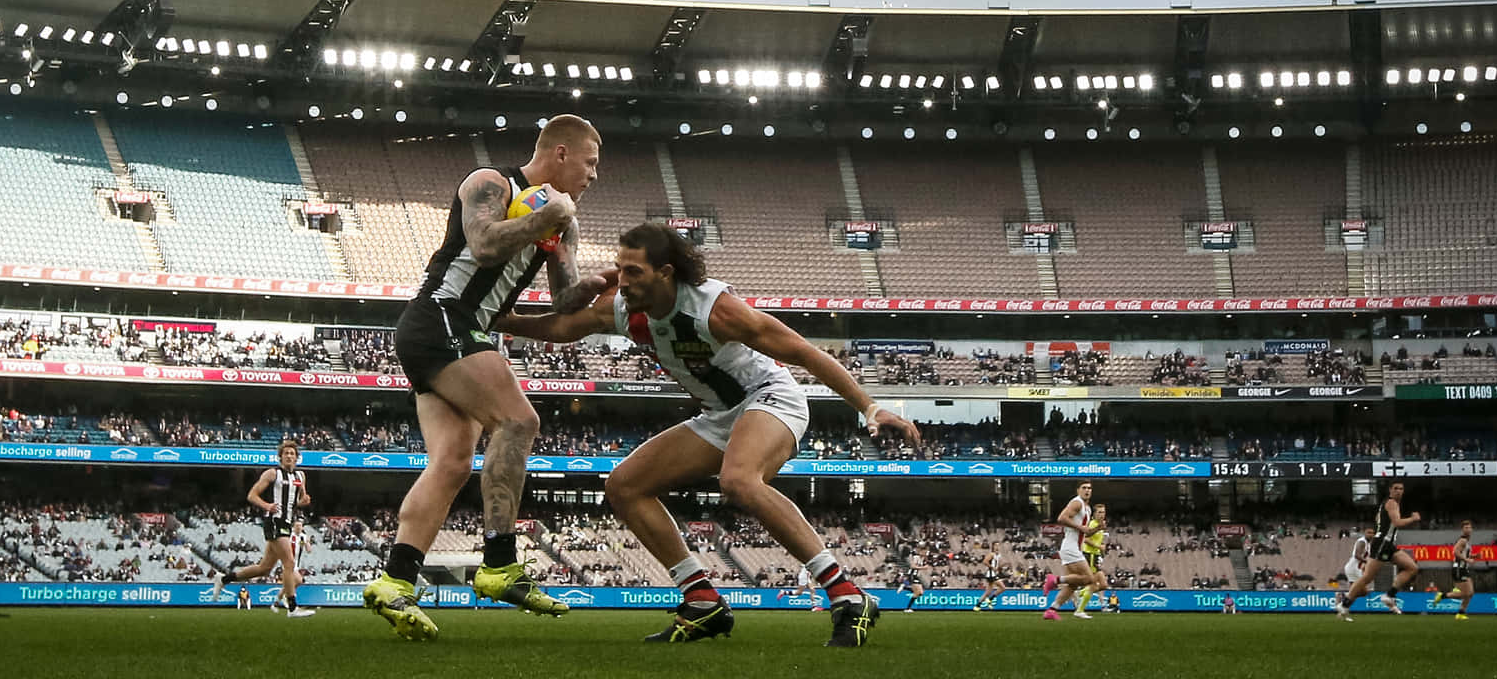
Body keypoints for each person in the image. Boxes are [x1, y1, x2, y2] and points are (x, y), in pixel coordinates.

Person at [499, 222, 919, 647]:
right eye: (618, 268)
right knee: (625, 486)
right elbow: (560, 328)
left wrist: (869, 406)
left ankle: (847, 595)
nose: (618, 280)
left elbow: (805, 353)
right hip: (720, 415)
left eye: (633, 272)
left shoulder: (717, 310)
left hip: (771, 399)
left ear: (665, 272)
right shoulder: (624, 308)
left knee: (738, 481)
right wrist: (502, 320)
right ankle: (702, 601)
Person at [363, 115, 612, 641]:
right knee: (518, 421)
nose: (593, 176)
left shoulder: (564, 219)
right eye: (589, 163)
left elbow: (562, 299)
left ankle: (394, 580)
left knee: (452, 463)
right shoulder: (491, 183)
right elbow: (483, 246)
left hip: (459, 331)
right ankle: (499, 564)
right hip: (442, 318)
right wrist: (549, 214)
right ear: (561, 153)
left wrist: (595, 283)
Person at [215, 441, 316, 617]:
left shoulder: (301, 476)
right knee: (289, 563)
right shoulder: (272, 473)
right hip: (274, 522)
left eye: (292, 453)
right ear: (280, 457)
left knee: (264, 568)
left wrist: (303, 502)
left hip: (287, 522)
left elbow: (297, 501)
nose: (289, 456)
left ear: (297, 457)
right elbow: (252, 495)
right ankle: (292, 607)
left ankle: (224, 579)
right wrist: (267, 505)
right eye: (286, 453)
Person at [1334, 481, 1422, 620]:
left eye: (1401, 488)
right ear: (1390, 490)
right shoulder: (1392, 503)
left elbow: (1379, 521)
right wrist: (1413, 518)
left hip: (1388, 543)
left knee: (1412, 568)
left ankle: (1389, 595)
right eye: (1396, 488)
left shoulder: (1386, 505)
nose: (1399, 491)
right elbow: (1398, 523)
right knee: (1367, 577)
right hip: (1382, 543)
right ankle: (1345, 604)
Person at [1042, 483, 1099, 620]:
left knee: (1073, 584)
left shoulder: (1087, 508)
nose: (1087, 490)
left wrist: (1098, 528)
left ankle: (1052, 609)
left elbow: (1086, 533)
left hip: (1074, 547)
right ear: (1078, 490)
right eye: (1084, 488)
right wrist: (1080, 527)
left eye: (1089, 488)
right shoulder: (1076, 503)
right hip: (1071, 546)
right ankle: (1054, 580)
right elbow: (1061, 518)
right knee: (1089, 579)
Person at [1429, 520, 1474, 619]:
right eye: (1466, 528)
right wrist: (1466, 559)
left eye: (1469, 527)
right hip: (1459, 568)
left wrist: (1475, 556)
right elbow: (1455, 552)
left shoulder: (1467, 541)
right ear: (1462, 529)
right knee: (1466, 593)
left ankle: (1461, 613)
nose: (1468, 529)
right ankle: (1442, 595)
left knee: (1470, 593)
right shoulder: (1462, 540)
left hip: (1464, 569)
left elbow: (1464, 553)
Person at [1074, 503, 1110, 618]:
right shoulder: (1092, 524)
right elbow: (1085, 539)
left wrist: (1102, 550)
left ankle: (1080, 593)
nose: (1101, 515)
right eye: (1099, 512)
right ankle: (1079, 610)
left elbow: (1099, 541)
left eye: (1103, 512)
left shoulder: (1102, 525)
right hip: (1089, 555)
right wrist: (1098, 547)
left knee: (1103, 585)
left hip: (1095, 556)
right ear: (1094, 514)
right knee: (1093, 585)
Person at [972, 544, 1011, 612]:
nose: (997, 547)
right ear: (993, 547)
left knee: (988, 592)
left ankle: (977, 605)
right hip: (990, 574)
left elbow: (997, 566)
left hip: (993, 574)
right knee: (1003, 587)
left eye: (998, 546)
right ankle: (990, 599)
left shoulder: (998, 556)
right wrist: (992, 567)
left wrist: (1004, 565)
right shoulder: (991, 554)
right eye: (995, 546)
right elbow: (985, 561)